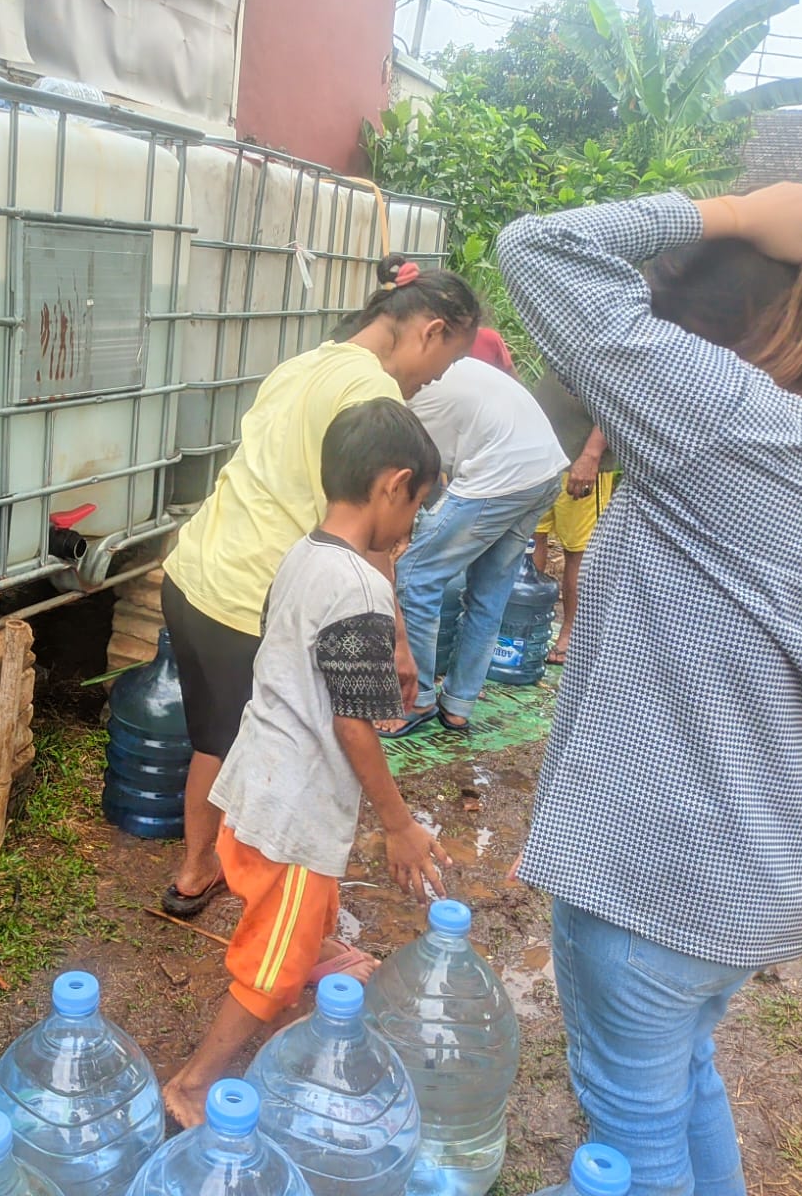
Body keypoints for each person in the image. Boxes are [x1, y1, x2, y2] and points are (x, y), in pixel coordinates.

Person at [496, 184, 802, 1196]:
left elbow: (539, 248)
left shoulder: (728, 424)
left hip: (659, 873)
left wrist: (732, 211)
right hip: (756, 867)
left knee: (631, 1134)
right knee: (681, 1077)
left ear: (701, 341)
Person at [160, 400, 453, 1128]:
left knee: (300, 909)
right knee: (271, 966)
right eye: (415, 508)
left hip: (255, 785)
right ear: (394, 484)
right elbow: (353, 722)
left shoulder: (304, 553)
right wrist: (398, 824)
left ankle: (316, 955)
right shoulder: (359, 586)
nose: (410, 529)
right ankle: (193, 1086)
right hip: (292, 811)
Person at [159, 254, 480, 918]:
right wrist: (395, 637)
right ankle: (225, 882)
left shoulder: (306, 362)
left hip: (193, 574)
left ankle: (206, 867)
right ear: (430, 331)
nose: (431, 381)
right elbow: (376, 530)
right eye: (443, 363)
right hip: (248, 596)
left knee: (213, 738)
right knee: (252, 743)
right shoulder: (374, 399)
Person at [376, 356, 566, 736]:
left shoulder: (404, 388)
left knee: (416, 576)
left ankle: (416, 700)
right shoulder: (446, 364)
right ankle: (459, 706)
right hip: (544, 471)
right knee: (489, 594)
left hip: (502, 472)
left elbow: (416, 473)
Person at [530, 370, 618, 665]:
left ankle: (569, 632)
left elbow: (616, 402)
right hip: (542, 453)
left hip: (581, 461)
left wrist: (591, 455)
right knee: (529, 539)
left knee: (578, 552)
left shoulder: (622, 340)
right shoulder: (567, 333)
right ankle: (527, 625)